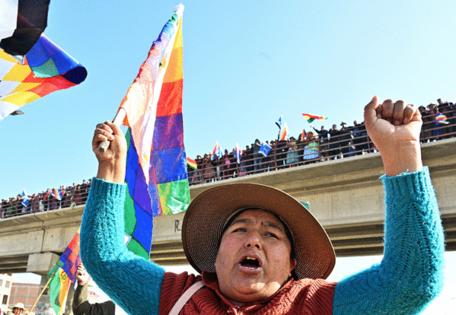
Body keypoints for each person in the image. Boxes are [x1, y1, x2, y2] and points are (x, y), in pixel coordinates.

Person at [81, 97, 444, 314]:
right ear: (217, 253)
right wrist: (111, 170)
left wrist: (402, 156)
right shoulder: (176, 298)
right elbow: (106, 258)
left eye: (271, 234)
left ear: (292, 264)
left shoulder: (316, 305)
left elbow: (410, 283)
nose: (253, 240)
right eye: (239, 230)